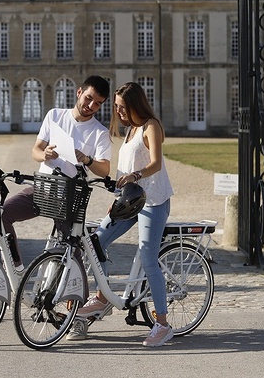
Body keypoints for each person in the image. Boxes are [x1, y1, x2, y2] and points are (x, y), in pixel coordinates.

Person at [67, 81, 175, 348]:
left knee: (148, 257)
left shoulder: (151, 125)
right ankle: (103, 298)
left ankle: (162, 324)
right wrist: (117, 200)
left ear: (135, 104)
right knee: (95, 241)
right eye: (116, 108)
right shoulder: (129, 131)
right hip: (130, 201)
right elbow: (123, 169)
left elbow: (156, 164)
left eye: (122, 107)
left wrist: (136, 175)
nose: (119, 112)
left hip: (153, 200)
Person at [1, 75, 112, 270]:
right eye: (88, 98)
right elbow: (35, 151)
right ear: (79, 92)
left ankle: (79, 295)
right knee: (3, 214)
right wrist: (45, 154)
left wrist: (86, 159)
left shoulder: (99, 132)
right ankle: (16, 268)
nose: (91, 105)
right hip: (43, 188)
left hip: (69, 196)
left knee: (72, 252)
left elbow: (104, 170)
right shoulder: (55, 116)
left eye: (98, 103)